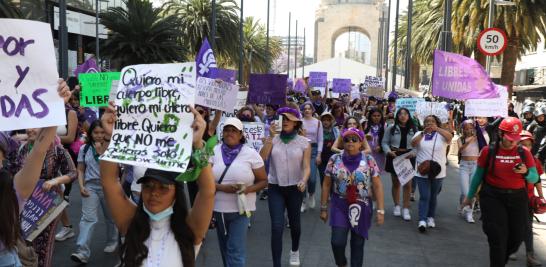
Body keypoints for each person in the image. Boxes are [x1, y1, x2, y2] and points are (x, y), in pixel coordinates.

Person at [100, 102, 215, 267]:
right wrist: (111, 137)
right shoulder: (130, 223)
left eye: (163, 187)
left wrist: (198, 145)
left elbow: (207, 191)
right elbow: (109, 182)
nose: (154, 192)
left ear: (177, 192)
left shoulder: (191, 229)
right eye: (148, 186)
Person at [0, 80, 71, 267]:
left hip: (45, 204)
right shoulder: (21, 151)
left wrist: (56, 107)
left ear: (2, 158)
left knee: (43, 248)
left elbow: (40, 148)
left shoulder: (13, 190)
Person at [462, 117, 539, 267]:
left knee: (517, 237)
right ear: (500, 134)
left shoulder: (524, 153)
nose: (513, 143)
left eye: (516, 140)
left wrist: (525, 173)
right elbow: (478, 176)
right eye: (510, 139)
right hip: (493, 197)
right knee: (497, 237)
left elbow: (534, 177)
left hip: (517, 198)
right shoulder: (488, 151)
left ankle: (500, 259)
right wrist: (469, 197)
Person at [320, 127, 385, 267]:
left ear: (361, 143)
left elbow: (378, 185)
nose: (350, 142)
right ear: (342, 142)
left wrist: (381, 210)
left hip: (361, 204)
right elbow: (326, 184)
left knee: (357, 244)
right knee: (337, 241)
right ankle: (341, 263)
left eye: (354, 139)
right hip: (339, 204)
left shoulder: (369, 160)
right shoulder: (334, 159)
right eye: (347, 139)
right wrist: (324, 207)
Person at [210, 118, 267, 267]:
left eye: (234, 130)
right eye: (227, 130)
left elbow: (263, 181)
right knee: (225, 249)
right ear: (222, 133)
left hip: (242, 209)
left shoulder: (251, 154)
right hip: (219, 209)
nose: (230, 133)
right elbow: (202, 180)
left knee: (234, 249)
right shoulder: (213, 150)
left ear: (241, 134)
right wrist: (223, 188)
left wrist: (247, 190)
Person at [260, 107, 311, 267]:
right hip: (275, 186)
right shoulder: (272, 139)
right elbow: (261, 158)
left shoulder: (304, 142)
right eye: (283, 118)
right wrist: (270, 137)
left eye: (289, 118)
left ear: (296, 122)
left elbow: (307, 166)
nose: (285, 121)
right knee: (277, 226)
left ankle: (294, 251)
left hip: (296, 188)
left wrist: (304, 179)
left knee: (295, 225)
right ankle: (276, 264)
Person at [70, 120, 118, 264]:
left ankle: (113, 240)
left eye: (102, 132)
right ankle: (82, 251)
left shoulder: (112, 147)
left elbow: (115, 169)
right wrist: (81, 185)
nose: (99, 135)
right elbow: (80, 169)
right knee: (88, 218)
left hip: (108, 187)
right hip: (91, 186)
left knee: (111, 218)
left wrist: (100, 151)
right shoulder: (84, 148)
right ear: (90, 133)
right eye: (96, 132)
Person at [411, 115, 453, 232]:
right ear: (423, 124)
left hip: (438, 172)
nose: (429, 123)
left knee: (433, 196)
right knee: (425, 196)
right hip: (422, 170)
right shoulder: (419, 133)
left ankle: (430, 217)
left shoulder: (441, 134)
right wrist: (423, 133)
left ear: (437, 123)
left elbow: (450, 138)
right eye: (427, 122)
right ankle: (422, 220)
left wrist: (437, 129)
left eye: (432, 121)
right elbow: (413, 144)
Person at [381, 108, 418, 221]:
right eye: (400, 114)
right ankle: (397, 205)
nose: (403, 116)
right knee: (396, 182)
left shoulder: (414, 129)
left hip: (408, 156)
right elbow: (384, 142)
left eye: (405, 114)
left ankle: (406, 208)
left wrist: (413, 153)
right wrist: (388, 151)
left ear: (409, 116)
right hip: (394, 155)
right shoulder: (391, 128)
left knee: (408, 184)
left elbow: (418, 145)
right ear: (397, 116)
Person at [516, 130, 544, 267]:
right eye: (523, 144)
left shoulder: (535, 161)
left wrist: (541, 197)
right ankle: (510, 250)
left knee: (528, 227)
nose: (526, 147)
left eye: (529, 144)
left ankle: (530, 255)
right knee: (512, 225)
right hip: (512, 198)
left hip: (528, 199)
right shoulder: (512, 159)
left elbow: (537, 179)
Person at [301, 103, 323, 212]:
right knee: (302, 177)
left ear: (312, 110)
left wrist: (319, 154)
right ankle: (303, 200)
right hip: (301, 149)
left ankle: (311, 194)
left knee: (312, 178)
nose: (307, 110)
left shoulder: (318, 122)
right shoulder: (299, 122)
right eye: (305, 109)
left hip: (314, 150)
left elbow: (320, 139)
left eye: (309, 108)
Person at [457, 119, 479, 223]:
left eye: (471, 128)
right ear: (463, 130)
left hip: (475, 165)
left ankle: (469, 213)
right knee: (465, 192)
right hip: (464, 166)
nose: (469, 130)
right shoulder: (460, 139)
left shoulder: (479, 138)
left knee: (472, 191)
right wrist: (469, 140)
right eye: (466, 128)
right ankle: (463, 204)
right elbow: (461, 150)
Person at [319, 112, 341, 188]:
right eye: (324, 120)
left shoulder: (336, 131)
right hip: (321, 158)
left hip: (333, 158)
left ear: (331, 121)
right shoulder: (318, 131)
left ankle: (332, 195)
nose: (325, 122)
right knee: (323, 175)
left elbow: (339, 143)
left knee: (333, 176)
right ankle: (325, 194)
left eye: (328, 120)